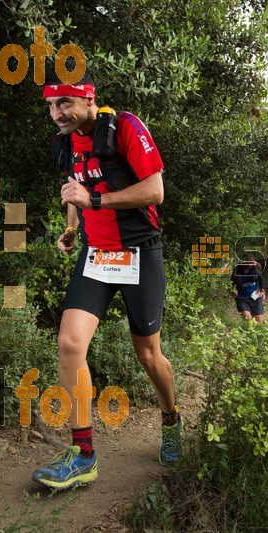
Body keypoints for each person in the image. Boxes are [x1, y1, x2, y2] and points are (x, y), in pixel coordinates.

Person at [31, 65, 181, 490]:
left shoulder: (126, 128)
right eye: (52, 105)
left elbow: (155, 191)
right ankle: (83, 454)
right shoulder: (65, 142)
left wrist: (94, 201)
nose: (58, 112)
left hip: (139, 252)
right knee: (69, 342)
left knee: (149, 356)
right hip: (96, 255)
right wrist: (73, 224)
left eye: (66, 103)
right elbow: (74, 187)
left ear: (88, 99)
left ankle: (170, 418)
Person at [231, 259, 266, 323]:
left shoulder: (256, 268)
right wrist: (233, 291)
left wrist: (263, 291)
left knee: (259, 323)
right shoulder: (237, 270)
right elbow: (231, 284)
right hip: (242, 298)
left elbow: (261, 280)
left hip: (255, 297)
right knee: (249, 321)